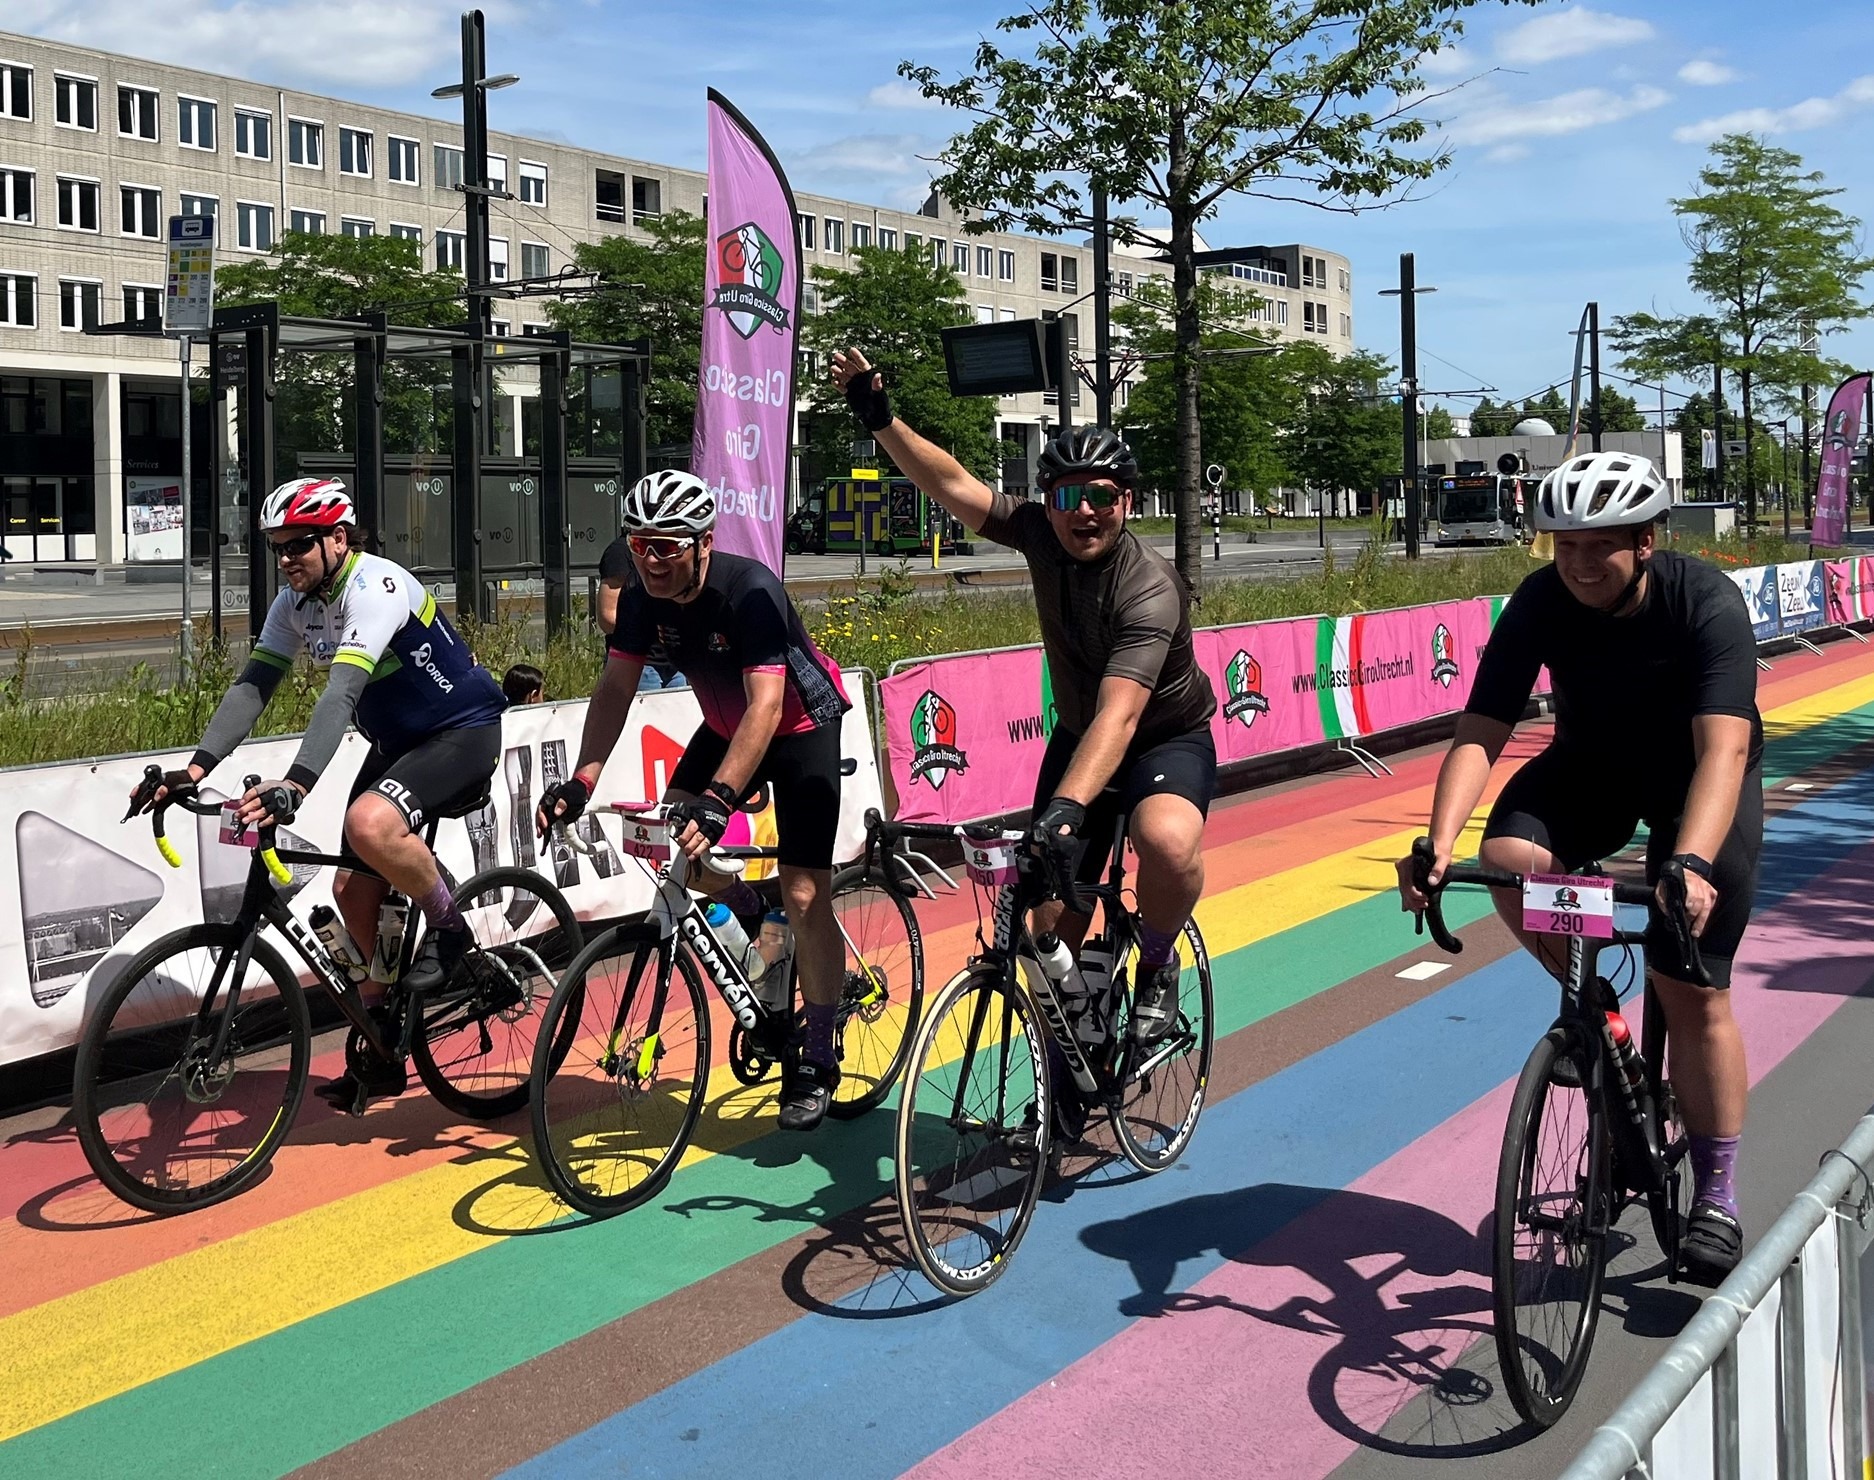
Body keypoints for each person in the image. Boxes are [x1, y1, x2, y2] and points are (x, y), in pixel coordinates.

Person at [1394, 450, 1761, 1286]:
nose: (1581, 564)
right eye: (1565, 546)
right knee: (1507, 857)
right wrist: (1438, 841)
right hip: (1593, 770)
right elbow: (1482, 728)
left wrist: (1692, 862)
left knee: (1690, 988)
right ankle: (1599, 1018)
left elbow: (1725, 748)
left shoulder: (1704, 600)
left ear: (1646, 542)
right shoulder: (1540, 601)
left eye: (1601, 546)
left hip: (1697, 784)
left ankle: (1717, 1194)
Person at [831, 348, 1216, 1097]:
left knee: (1166, 841)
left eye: (1102, 495)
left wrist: (1066, 807)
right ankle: (1076, 1041)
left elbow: (1122, 714)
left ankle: (1157, 962)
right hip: (1079, 738)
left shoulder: (1150, 588)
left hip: (1160, 738)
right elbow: (952, 485)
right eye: (1068, 495)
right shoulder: (1040, 532)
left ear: (1128, 502)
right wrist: (881, 421)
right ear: (1049, 501)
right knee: (1043, 933)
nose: (1084, 511)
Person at [137, 476, 509, 1105]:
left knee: (369, 826)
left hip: (462, 730)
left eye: (299, 545)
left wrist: (296, 785)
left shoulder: (376, 587)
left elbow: (341, 694)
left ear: (338, 538)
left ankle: (450, 930)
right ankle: (382, 1040)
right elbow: (252, 688)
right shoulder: (294, 604)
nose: (286, 559)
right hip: (399, 742)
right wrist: (194, 769)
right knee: (349, 890)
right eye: (277, 548)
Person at [536, 469, 853, 1132]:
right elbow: (615, 689)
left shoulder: (751, 590)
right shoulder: (641, 596)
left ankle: (819, 1054)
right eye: (639, 545)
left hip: (798, 725)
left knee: (803, 893)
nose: (651, 560)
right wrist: (582, 780)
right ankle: (746, 904)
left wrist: (721, 797)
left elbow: (767, 707)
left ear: (704, 542)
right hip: (724, 725)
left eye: (667, 546)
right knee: (672, 844)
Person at [597, 526, 684, 690]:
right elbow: (608, 617)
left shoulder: (669, 547)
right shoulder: (620, 551)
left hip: (675, 662)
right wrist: (654, 629)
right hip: (639, 663)